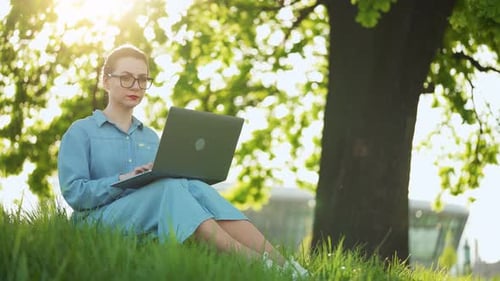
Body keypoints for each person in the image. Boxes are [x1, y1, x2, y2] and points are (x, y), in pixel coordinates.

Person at [57, 44, 308, 278]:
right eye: (126, 77)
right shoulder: (81, 132)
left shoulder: (150, 137)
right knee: (168, 187)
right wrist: (125, 179)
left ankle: (287, 266)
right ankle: (259, 265)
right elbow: (75, 194)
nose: (136, 85)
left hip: (148, 219)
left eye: (143, 79)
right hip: (96, 224)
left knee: (193, 185)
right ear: (105, 81)